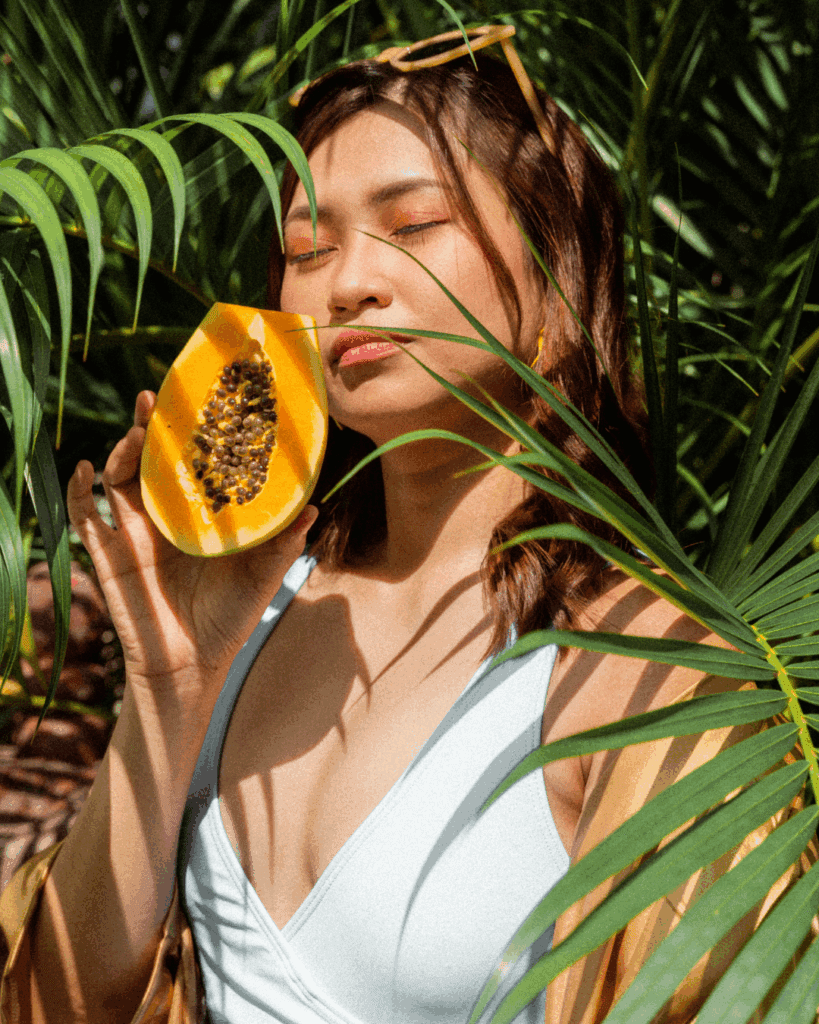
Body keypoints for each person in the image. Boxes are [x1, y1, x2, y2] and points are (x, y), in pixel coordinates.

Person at [0, 25, 809, 1024]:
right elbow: (55, 1002)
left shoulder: (648, 673)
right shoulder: (249, 619)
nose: (346, 284)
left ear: (560, 277)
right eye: (308, 247)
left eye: (416, 223)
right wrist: (168, 693)